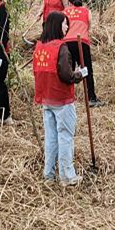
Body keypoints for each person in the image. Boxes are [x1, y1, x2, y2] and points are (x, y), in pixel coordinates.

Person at [34, 11, 88, 185]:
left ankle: (48, 175)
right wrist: (80, 74)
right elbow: (66, 75)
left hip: (46, 98)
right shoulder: (61, 48)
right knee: (65, 136)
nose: (66, 27)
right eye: (65, 24)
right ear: (57, 25)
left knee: (50, 137)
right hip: (61, 99)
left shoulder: (39, 47)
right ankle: (67, 176)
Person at [63, 0, 102, 106]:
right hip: (82, 42)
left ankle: (67, 97)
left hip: (67, 42)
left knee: (68, 70)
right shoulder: (86, 11)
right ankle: (91, 98)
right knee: (87, 69)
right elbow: (88, 27)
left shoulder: (65, 11)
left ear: (70, 3)